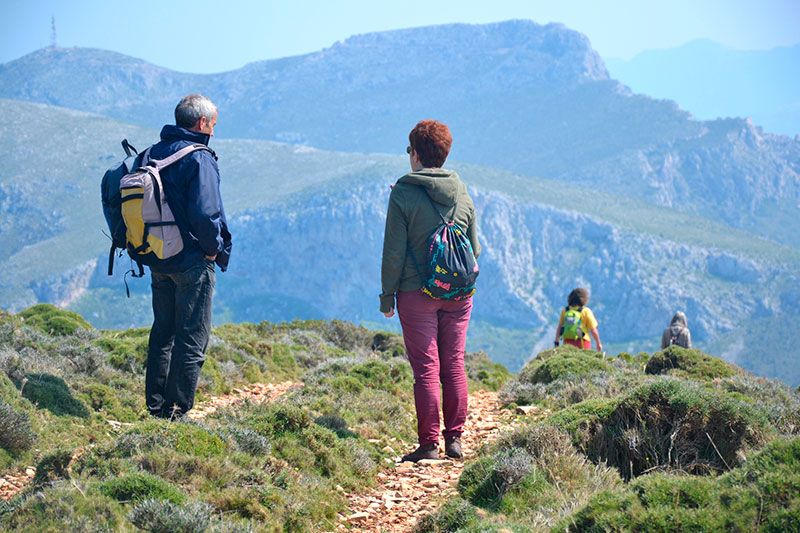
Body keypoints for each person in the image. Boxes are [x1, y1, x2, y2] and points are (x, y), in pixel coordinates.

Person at [380, 119, 481, 462]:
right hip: (458, 294)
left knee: (426, 368)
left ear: (418, 153)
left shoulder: (404, 193)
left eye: (410, 150)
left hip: (415, 293)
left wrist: (386, 296)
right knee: (453, 365)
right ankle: (455, 441)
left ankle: (429, 445)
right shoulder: (462, 192)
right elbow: (475, 249)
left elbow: (393, 251)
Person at [145, 94, 232, 419]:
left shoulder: (153, 153)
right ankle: (177, 411)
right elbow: (207, 212)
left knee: (163, 332)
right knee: (192, 337)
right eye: (213, 124)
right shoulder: (198, 157)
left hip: (157, 258)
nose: (213, 130)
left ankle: (155, 407)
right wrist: (213, 250)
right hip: (192, 261)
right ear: (202, 123)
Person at [554, 287, 603, 351]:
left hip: (567, 342)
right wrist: (598, 343)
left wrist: (556, 342)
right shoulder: (586, 311)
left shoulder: (565, 311)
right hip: (583, 342)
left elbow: (559, 328)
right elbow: (593, 330)